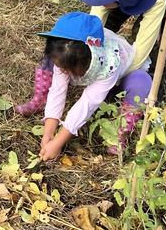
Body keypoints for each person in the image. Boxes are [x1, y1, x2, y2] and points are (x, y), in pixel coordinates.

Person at [32, 13, 152, 160]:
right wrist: (48, 132)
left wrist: (58, 142)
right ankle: (39, 99)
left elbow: (86, 104)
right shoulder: (65, 53)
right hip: (94, 76)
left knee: (141, 81)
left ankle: (120, 134)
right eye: (59, 66)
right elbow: (57, 91)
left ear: (85, 61)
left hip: (121, 80)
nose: (61, 70)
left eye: (65, 68)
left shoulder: (108, 65)